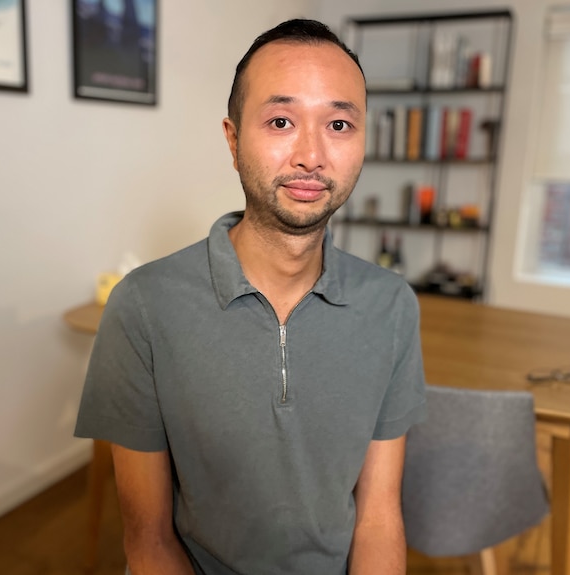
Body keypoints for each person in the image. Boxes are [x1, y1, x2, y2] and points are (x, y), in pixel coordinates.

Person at [75, 18, 427, 575]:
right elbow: (148, 542)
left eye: (339, 123)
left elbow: (379, 518)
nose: (311, 155)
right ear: (234, 140)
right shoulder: (143, 307)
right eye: (282, 120)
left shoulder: (391, 306)